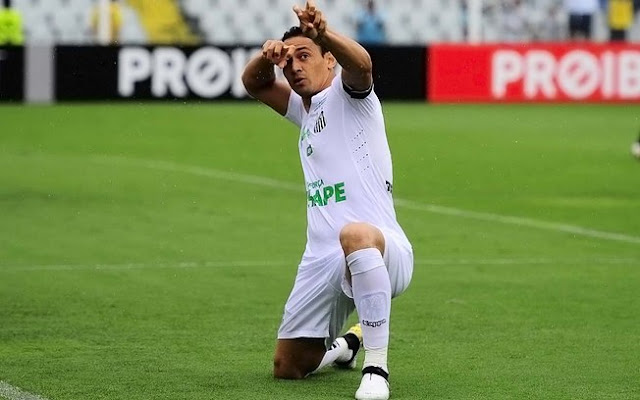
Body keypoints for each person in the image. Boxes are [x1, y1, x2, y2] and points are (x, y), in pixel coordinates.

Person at [241, 1, 413, 399]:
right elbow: (255, 84)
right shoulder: (304, 110)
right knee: (288, 367)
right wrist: (266, 57)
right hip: (321, 260)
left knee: (354, 233)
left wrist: (323, 34)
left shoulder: (348, 95)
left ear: (329, 60)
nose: (295, 67)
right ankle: (346, 346)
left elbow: (363, 66)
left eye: (305, 56)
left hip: (381, 249)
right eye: (289, 61)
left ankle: (376, 368)